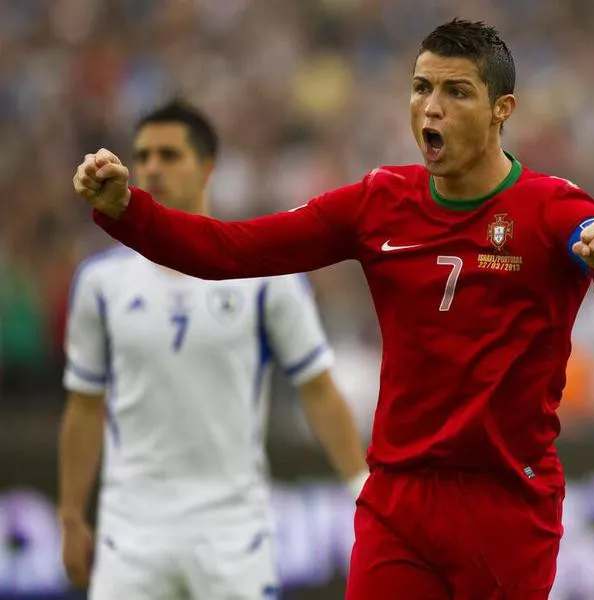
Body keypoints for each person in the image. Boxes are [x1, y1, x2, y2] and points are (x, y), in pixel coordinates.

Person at [73, 20, 594, 600]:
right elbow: (230, 251)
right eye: (421, 87)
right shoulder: (379, 202)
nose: (431, 108)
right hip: (400, 503)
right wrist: (129, 210)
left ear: (502, 109)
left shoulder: (550, 208)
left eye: (457, 92)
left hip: (508, 503)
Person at [60, 101, 368, 599]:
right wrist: (71, 515)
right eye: (143, 156)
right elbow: (84, 404)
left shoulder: (264, 276)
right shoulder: (100, 281)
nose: (152, 168)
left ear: (207, 167)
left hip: (233, 533)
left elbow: (317, 388)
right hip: (130, 531)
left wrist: (360, 490)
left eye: (169, 155)